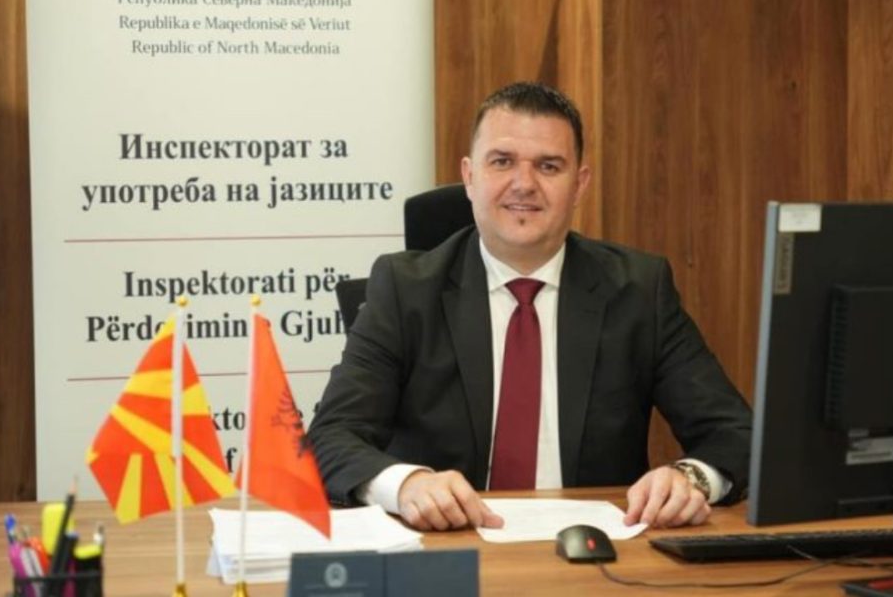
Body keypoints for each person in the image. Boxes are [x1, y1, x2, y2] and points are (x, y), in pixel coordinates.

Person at [309, 82, 752, 531]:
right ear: (469, 177)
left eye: (548, 166)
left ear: (579, 184)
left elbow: (737, 434)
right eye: (502, 162)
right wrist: (406, 485)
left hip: (595, 553)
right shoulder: (405, 290)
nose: (524, 184)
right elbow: (329, 437)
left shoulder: (638, 291)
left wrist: (691, 478)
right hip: (449, 548)